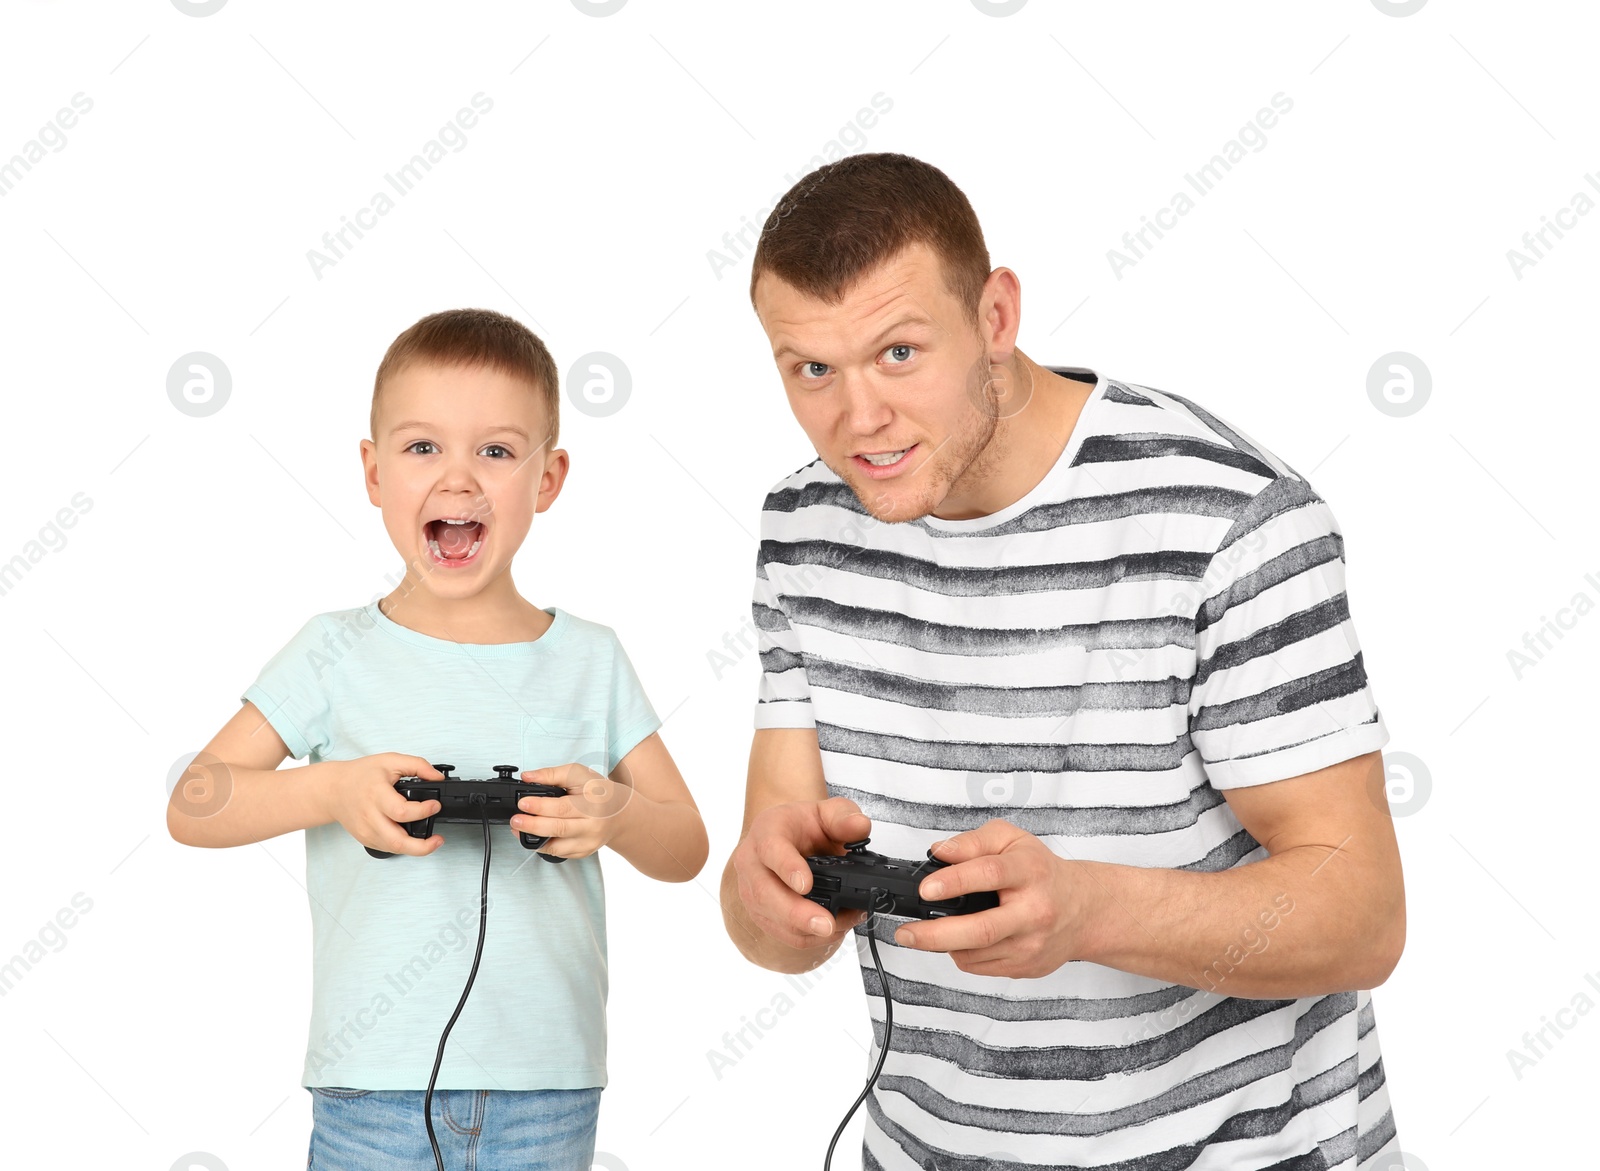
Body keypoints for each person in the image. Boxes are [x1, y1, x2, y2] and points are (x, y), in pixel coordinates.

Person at [721, 153, 1405, 1170]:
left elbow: (1362, 917)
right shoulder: (805, 526)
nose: (857, 419)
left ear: (994, 315)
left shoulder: (1224, 519)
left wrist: (1091, 911)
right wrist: (763, 894)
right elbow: (770, 911)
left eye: (899, 352)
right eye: (810, 369)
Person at [168, 307, 709, 1171]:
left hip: (549, 1078)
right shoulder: (331, 649)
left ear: (549, 477)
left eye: (496, 451)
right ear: (373, 472)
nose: (458, 479)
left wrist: (612, 812)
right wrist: (333, 789)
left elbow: (686, 845)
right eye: (423, 448)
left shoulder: (590, 657)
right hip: (372, 1080)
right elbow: (194, 801)